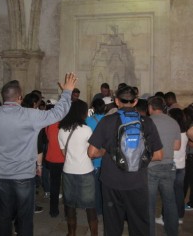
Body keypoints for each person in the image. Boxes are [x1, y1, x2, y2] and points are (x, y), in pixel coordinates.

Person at [0, 72, 77, 236]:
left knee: (3, 217)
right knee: (25, 217)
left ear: (4, 97)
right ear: (19, 98)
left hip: (1, 176)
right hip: (24, 177)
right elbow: (57, 113)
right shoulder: (30, 115)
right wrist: (67, 91)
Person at [88, 86, 163, 236]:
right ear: (135, 101)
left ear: (116, 101)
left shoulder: (106, 121)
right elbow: (159, 155)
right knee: (139, 225)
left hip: (111, 182)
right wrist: (137, 158)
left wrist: (106, 151)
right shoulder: (147, 122)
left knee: (113, 225)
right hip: (137, 182)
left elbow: (92, 152)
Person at [58, 99, 98, 236]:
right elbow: (92, 152)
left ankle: (72, 233)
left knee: (69, 206)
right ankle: (94, 233)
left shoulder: (62, 129)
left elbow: (63, 153)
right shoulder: (86, 129)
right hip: (86, 171)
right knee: (90, 206)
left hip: (68, 171)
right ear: (83, 112)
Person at [148, 96, 181, 236]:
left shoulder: (147, 122)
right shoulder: (173, 122)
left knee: (149, 204)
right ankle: (172, 232)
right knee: (170, 201)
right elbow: (177, 146)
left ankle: (149, 233)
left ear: (150, 108)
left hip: (150, 167)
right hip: (168, 166)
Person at [86, 98, 105, 215]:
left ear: (93, 108)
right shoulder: (108, 119)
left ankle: (97, 208)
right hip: (106, 156)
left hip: (93, 156)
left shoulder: (88, 120)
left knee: (95, 186)